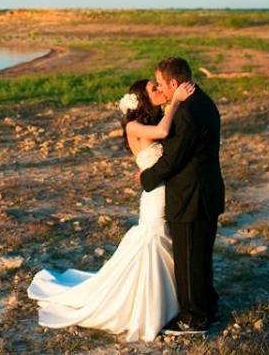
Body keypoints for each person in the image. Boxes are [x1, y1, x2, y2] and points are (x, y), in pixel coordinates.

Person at [27, 78, 195, 342]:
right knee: (153, 240)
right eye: (154, 89)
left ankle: (169, 301)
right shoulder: (134, 126)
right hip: (156, 197)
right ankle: (150, 307)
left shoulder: (150, 122)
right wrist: (175, 100)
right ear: (142, 99)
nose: (160, 90)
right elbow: (163, 133)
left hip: (165, 190)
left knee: (164, 241)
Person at [136, 57, 225, 335]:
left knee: (188, 260)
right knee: (200, 256)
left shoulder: (186, 112)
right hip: (205, 192)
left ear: (174, 83)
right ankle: (208, 306)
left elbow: (172, 160)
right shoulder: (202, 100)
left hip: (191, 196)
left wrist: (145, 178)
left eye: (162, 83)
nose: (160, 88)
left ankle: (193, 319)